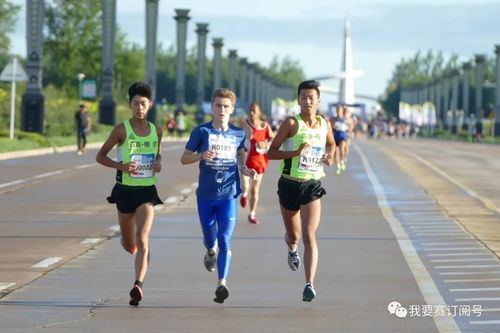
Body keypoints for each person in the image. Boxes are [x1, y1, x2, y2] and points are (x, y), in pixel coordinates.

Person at [181, 88, 257, 304]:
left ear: (232, 109)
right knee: (209, 239)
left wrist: (245, 170)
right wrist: (200, 155)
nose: (222, 110)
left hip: (228, 194)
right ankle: (209, 252)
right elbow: (184, 158)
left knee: (224, 238)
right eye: (218, 106)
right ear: (212, 107)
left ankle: (221, 284)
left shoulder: (238, 134)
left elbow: (241, 158)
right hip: (205, 195)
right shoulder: (201, 132)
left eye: (226, 106)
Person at [96, 82, 163, 307]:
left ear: (150, 105)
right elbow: (101, 156)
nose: (140, 107)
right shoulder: (121, 130)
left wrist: (158, 162)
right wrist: (122, 166)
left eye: (144, 103)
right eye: (136, 103)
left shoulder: (157, 130)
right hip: (124, 192)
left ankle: (138, 286)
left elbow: (158, 153)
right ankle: (131, 247)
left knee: (143, 239)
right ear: (130, 105)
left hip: (146, 191)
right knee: (129, 243)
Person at [267, 80, 335, 302]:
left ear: (318, 101)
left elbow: (331, 144)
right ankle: (291, 248)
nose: (307, 101)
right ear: (298, 100)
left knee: (309, 234)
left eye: (311, 97)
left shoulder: (325, 124)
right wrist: (295, 152)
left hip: (311, 185)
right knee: (294, 235)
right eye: (303, 97)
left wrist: (329, 156)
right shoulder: (291, 124)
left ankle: (310, 284)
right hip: (288, 184)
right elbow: (271, 153)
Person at [239, 103, 274, 224]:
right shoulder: (244, 125)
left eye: (254, 110)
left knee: (255, 190)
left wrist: (265, 144)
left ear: (259, 112)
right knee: (246, 186)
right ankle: (244, 194)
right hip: (246, 160)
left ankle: (252, 214)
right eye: (250, 110)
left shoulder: (265, 126)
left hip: (260, 161)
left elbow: (272, 139)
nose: (252, 113)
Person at [330, 105, 349, 174]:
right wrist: (333, 126)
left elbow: (351, 124)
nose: (338, 112)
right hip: (335, 137)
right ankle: (338, 166)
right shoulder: (333, 119)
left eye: (340, 111)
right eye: (337, 111)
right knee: (336, 153)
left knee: (342, 149)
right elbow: (330, 128)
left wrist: (349, 131)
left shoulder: (345, 119)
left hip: (342, 137)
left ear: (342, 111)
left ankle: (342, 160)